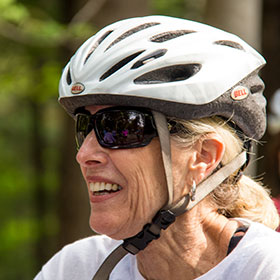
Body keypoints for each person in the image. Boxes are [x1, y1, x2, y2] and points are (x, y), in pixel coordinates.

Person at [35, 15, 280, 280]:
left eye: (120, 128)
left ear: (203, 156)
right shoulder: (75, 268)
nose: (84, 155)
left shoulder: (265, 270)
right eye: (85, 127)